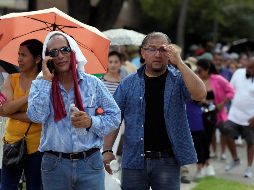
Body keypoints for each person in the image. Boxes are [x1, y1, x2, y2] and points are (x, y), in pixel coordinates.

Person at [103, 32, 207, 190]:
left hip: (167, 160)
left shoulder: (178, 80)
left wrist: (179, 63)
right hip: (133, 161)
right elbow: (114, 118)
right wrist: (108, 150)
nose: (158, 54)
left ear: (170, 53)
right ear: (143, 53)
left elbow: (200, 94)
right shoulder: (128, 84)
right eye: (152, 49)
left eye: (163, 49)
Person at [27, 31, 121, 190]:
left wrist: (91, 122)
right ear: (47, 58)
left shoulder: (93, 83)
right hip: (54, 166)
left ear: (73, 52)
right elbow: (36, 116)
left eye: (64, 49)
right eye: (53, 52)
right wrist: (47, 82)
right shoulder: (40, 85)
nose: (60, 55)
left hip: (90, 164)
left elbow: (115, 116)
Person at [0, 39, 43, 190]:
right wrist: (28, 96)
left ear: (37, 59)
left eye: (23, 55)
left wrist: (11, 112)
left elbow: (39, 117)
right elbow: (2, 109)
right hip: (12, 144)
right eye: (18, 54)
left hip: (38, 148)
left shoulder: (45, 83)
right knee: (6, 187)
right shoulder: (12, 79)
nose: (19, 58)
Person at [196, 59, 234, 175]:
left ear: (207, 70)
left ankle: (205, 165)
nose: (198, 72)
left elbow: (231, 91)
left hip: (212, 113)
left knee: (206, 139)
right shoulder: (196, 79)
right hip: (198, 113)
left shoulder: (218, 79)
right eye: (197, 70)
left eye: (200, 70)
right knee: (199, 140)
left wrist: (222, 103)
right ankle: (204, 165)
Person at [221, 57, 254, 178]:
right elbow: (230, 89)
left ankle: (249, 167)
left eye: (251, 67)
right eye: (248, 66)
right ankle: (235, 159)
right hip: (234, 114)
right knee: (226, 132)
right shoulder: (239, 73)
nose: (248, 69)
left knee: (250, 142)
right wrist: (224, 104)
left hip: (250, 118)